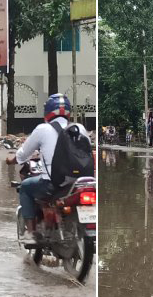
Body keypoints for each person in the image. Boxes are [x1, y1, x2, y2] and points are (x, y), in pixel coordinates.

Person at [6, 93, 90, 244]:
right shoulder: (80, 128)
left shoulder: (42, 129)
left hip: (54, 183)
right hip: (79, 183)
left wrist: (11, 159)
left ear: (48, 112)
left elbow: (23, 154)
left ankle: (31, 234)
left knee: (25, 187)